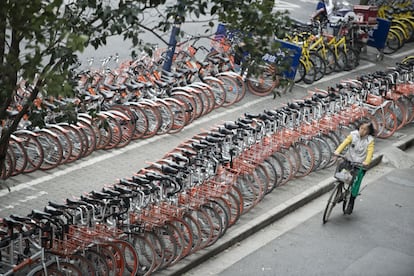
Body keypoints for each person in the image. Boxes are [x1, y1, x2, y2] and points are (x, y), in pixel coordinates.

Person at [334, 122, 375, 214]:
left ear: (369, 132)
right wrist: (337, 152)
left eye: (365, 130)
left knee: (355, 184)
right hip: (349, 160)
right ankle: (339, 193)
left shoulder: (370, 140)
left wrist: (367, 162)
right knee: (340, 174)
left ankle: (351, 203)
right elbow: (344, 143)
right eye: (361, 128)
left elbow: (370, 152)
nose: (362, 131)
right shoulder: (353, 135)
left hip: (360, 165)